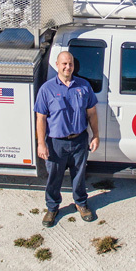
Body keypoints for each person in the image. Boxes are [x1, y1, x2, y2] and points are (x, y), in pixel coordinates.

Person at [34, 51, 100, 227]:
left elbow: (92, 113)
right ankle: (52, 207)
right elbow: (40, 118)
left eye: (70, 64)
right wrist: (41, 143)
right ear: (57, 65)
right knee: (54, 177)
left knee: (79, 175)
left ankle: (81, 203)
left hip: (79, 140)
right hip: (56, 143)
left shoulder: (84, 86)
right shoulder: (47, 89)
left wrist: (95, 135)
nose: (67, 67)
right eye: (64, 63)